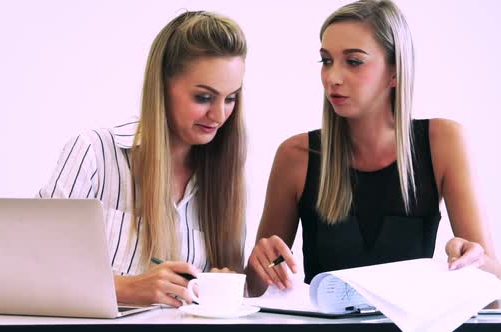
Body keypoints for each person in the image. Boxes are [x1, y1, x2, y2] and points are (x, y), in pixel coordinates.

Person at [246, 0, 501, 296]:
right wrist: (261, 265)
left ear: (395, 73)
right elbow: (253, 291)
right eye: (326, 60)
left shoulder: (443, 141)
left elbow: (494, 291)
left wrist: (472, 263)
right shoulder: (296, 155)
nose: (333, 77)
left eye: (353, 61)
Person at [39, 11, 247, 307]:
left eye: (230, 98)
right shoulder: (94, 154)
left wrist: (225, 285)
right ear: (161, 86)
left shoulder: (225, 181)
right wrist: (124, 288)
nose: (219, 115)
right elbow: (32, 270)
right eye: (203, 97)